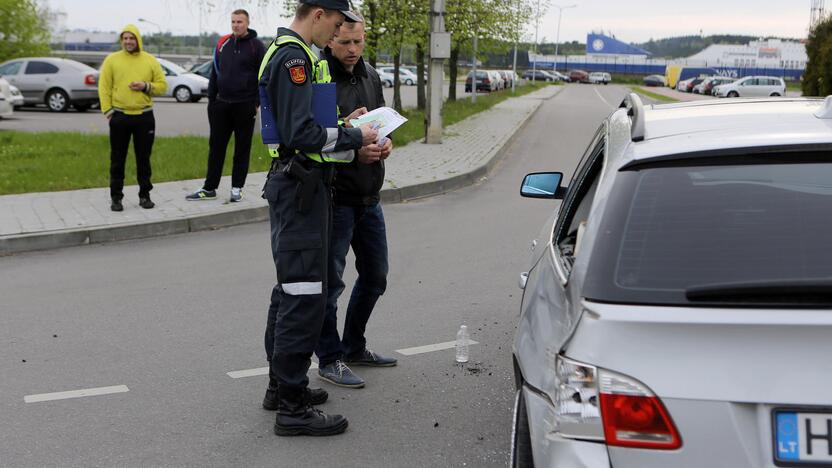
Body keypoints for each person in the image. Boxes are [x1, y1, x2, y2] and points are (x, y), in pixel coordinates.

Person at [258, 0, 377, 437]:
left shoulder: (295, 52)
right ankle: (291, 405)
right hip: (300, 189)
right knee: (303, 296)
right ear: (319, 14)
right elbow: (300, 133)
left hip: (299, 186)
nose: (339, 36)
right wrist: (353, 134)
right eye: (338, 26)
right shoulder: (294, 57)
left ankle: (280, 387)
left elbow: (304, 123)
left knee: (291, 290)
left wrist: (345, 123)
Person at [314, 16, 396, 390]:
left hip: (369, 195)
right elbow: (316, 136)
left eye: (358, 42)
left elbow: (380, 123)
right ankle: (330, 359)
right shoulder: (319, 77)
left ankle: (354, 345)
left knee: (376, 277)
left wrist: (385, 145)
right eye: (345, 42)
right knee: (330, 285)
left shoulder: (371, 76)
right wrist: (352, 143)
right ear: (331, 39)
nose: (352, 50)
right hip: (336, 196)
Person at [186, 9, 266, 203]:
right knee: (216, 148)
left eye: (239, 21)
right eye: (233, 22)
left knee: (242, 149)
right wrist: (211, 101)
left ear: (247, 23)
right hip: (220, 106)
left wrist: (256, 103)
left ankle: (237, 188)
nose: (236, 25)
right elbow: (215, 73)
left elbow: (263, 77)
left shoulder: (257, 46)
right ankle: (209, 188)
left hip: (244, 106)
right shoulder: (223, 43)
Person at [98, 25, 167, 212]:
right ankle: (116, 198)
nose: (128, 42)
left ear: (138, 40)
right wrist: (108, 112)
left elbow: (162, 86)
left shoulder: (150, 60)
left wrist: (145, 86)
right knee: (117, 159)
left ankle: (145, 196)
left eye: (132, 38)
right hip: (119, 116)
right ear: (121, 40)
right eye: (125, 38)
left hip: (144, 117)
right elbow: (104, 88)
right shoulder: (112, 60)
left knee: (143, 159)